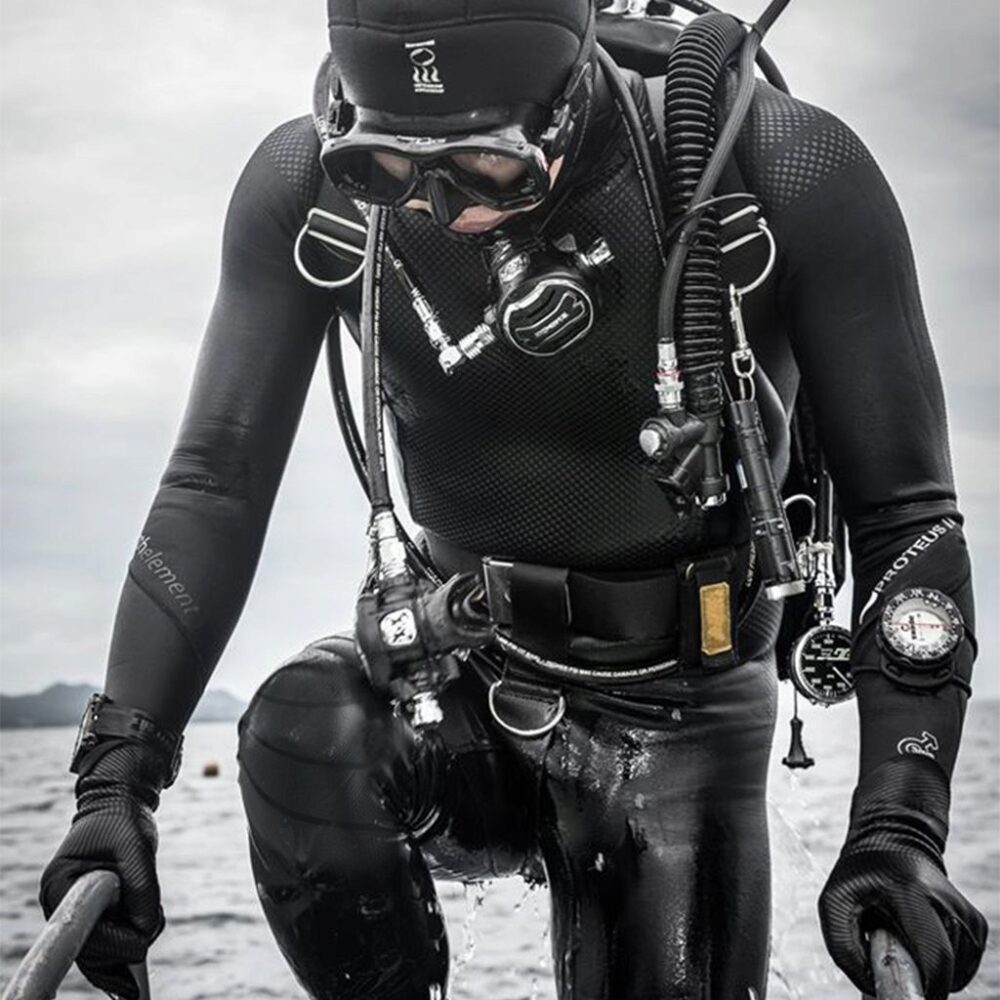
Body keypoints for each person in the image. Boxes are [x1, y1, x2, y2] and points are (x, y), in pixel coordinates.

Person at [38, 1, 988, 998]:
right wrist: (116, 780)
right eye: (388, 168)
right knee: (302, 733)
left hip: (681, 708)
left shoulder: (790, 169)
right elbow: (215, 479)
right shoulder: (302, 188)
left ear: (571, 93)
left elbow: (908, 516)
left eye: (488, 168)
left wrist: (900, 820)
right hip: (456, 669)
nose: (442, 208)